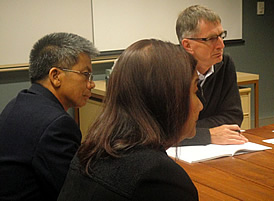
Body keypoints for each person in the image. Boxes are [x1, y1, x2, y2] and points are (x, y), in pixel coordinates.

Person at [57, 39, 202, 201]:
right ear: (167, 99)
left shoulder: (91, 150)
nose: (201, 105)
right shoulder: (159, 180)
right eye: (195, 91)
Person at [0, 32, 99, 201]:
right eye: (85, 74)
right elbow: (77, 193)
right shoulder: (56, 125)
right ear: (55, 76)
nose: (91, 84)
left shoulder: (17, 103)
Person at [176, 5, 248, 145]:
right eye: (211, 39)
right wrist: (206, 135)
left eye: (221, 36)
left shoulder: (225, 64)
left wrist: (190, 131)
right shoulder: (169, 70)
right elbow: (163, 131)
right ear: (187, 45)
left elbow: (233, 117)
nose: (221, 45)